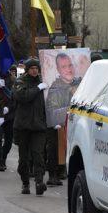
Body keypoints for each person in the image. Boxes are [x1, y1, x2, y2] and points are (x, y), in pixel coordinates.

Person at [44, 53, 81, 186]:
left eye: (70, 65)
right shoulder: (55, 88)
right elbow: (52, 113)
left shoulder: (81, 83)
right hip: (58, 126)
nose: (68, 69)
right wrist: (71, 106)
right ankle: (53, 174)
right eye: (64, 66)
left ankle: (64, 171)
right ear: (59, 70)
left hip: (77, 125)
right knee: (54, 149)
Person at [13, 58, 48, 195]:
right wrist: (37, 89)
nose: (34, 70)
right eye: (32, 68)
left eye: (36, 68)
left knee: (38, 154)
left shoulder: (43, 82)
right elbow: (22, 96)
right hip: (23, 126)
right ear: (27, 70)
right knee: (24, 157)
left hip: (39, 126)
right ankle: (25, 182)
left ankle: (39, 181)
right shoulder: (20, 82)